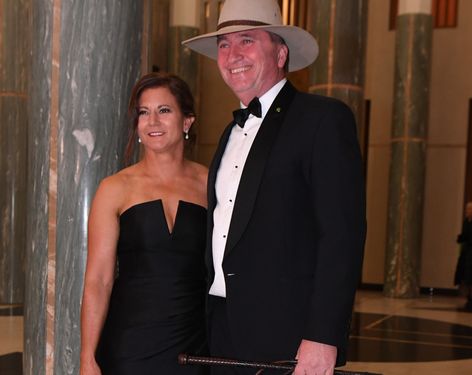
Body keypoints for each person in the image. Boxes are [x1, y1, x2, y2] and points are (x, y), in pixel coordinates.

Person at [182, 0, 366, 374]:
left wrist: (323, 336)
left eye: (247, 40)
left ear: (281, 53)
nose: (233, 54)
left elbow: (341, 237)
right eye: (224, 44)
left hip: (290, 336)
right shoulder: (228, 134)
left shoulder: (323, 120)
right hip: (222, 327)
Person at [80, 72, 209, 374]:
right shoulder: (114, 188)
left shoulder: (212, 183)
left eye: (164, 111)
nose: (152, 122)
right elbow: (98, 280)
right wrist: (88, 358)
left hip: (194, 344)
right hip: (128, 344)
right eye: (144, 112)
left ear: (186, 121)